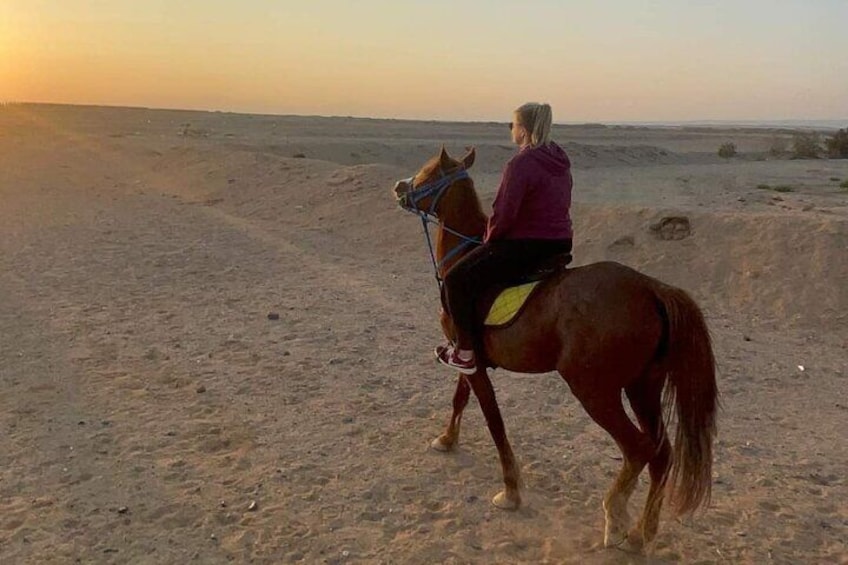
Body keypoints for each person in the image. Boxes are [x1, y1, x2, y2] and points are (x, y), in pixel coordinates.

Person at [436, 102, 574, 374]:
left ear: (523, 130)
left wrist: (489, 238)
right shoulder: (559, 159)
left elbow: (504, 214)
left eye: (513, 125)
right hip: (560, 243)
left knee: (454, 281)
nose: (511, 130)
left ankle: (465, 353)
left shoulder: (521, 163)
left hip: (526, 245)